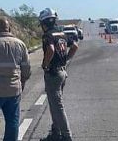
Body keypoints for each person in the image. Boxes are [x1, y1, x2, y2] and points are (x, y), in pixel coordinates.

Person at [38, 8, 78, 141]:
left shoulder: (48, 35)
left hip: (53, 73)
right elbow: (75, 46)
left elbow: (50, 49)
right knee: (54, 105)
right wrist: (65, 59)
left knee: (57, 106)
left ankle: (67, 136)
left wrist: (45, 64)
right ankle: (56, 133)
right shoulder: (62, 34)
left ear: (44, 23)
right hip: (62, 71)